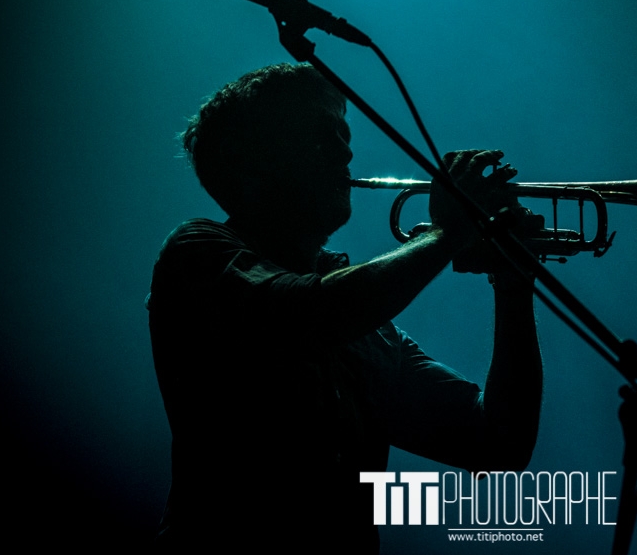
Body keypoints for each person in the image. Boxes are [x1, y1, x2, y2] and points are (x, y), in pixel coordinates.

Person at [146, 63, 542, 550]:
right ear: (252, 162)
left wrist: (514, 280)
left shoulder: (372, 332)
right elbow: (312, 314)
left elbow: (500, 444)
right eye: (320, 134)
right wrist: (448, 232)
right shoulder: (197, 252)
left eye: (343, 134)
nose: (345, 151)